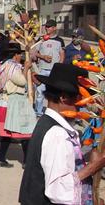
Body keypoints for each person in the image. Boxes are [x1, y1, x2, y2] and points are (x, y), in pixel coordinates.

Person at [19, 63, 105, 204]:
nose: (82, 105)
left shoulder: (47, 123)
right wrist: (93, 167)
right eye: (79, 99)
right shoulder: (57, 133)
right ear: (64, 97)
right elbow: (58, 189)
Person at [0, 43, 37, 168]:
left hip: (5, 101)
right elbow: (21, 81)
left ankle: (1, 158)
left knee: (8, 134)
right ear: (15, 55)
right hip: (13, 102)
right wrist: (26, 68)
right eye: (19, 54)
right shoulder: (12, 67)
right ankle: (27, 161)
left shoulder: (2, 66)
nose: (20, 56)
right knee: (25, 130)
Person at [31, 19, 65, 116]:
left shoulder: (60, 41)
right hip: (42, 70)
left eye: (49, 26)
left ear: (54, 28)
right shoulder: (41, 39)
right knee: (40, 92)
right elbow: (34, 53)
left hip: (54, 71)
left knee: (55, 93)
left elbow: (62, 54)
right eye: (46, 26)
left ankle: (53, 113)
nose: (47, 28)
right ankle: (38, 112)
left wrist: (59, 67)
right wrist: (43, 57)